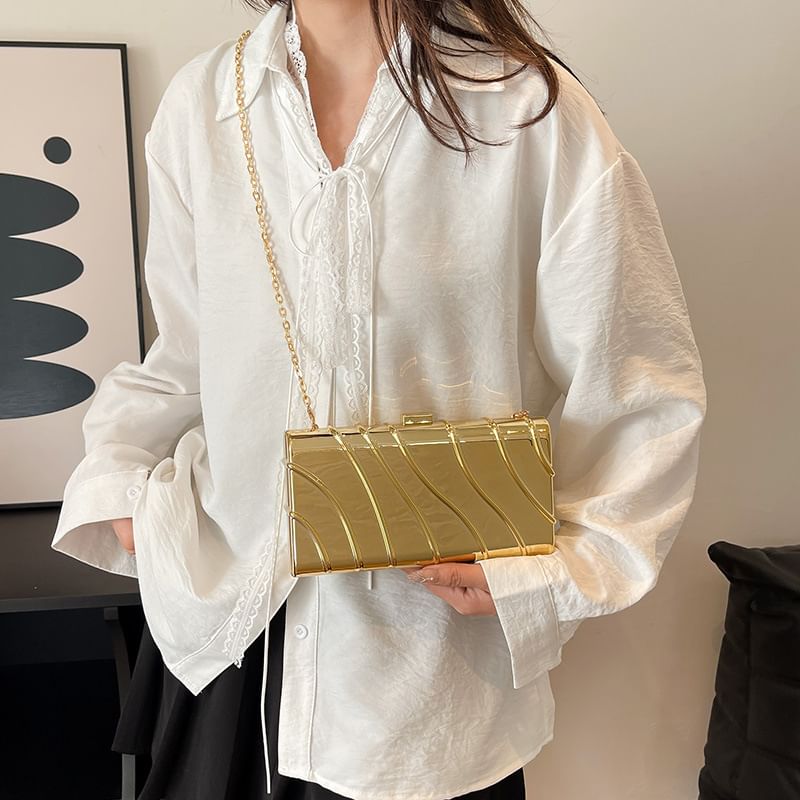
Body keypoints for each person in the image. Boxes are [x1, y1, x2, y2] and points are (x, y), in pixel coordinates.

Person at [51, 0, 708, 798]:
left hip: (421, 680)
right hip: (226, 638)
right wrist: (120, 482)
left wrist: (551, 573)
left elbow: (640, 387)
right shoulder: (204, 106)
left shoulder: (526, 111)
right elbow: (186, 356)